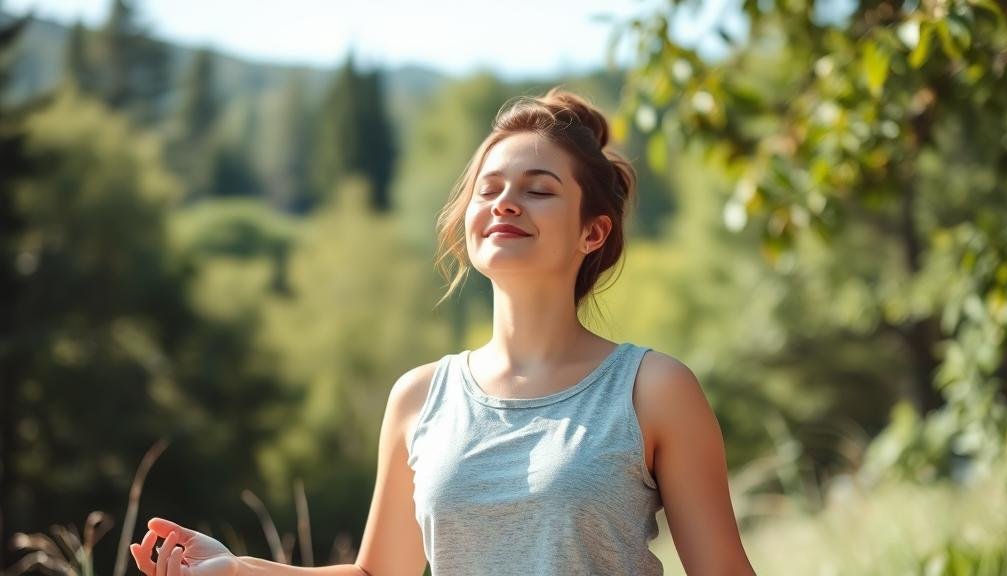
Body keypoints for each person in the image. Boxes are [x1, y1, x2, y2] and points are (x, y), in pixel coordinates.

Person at [130, 88, 757, 576]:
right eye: (490, 190)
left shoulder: (653, 389)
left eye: (539, 191)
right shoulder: (419, 397)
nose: (505, 203)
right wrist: (237, 568)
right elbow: (379, 572)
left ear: (592, 233)